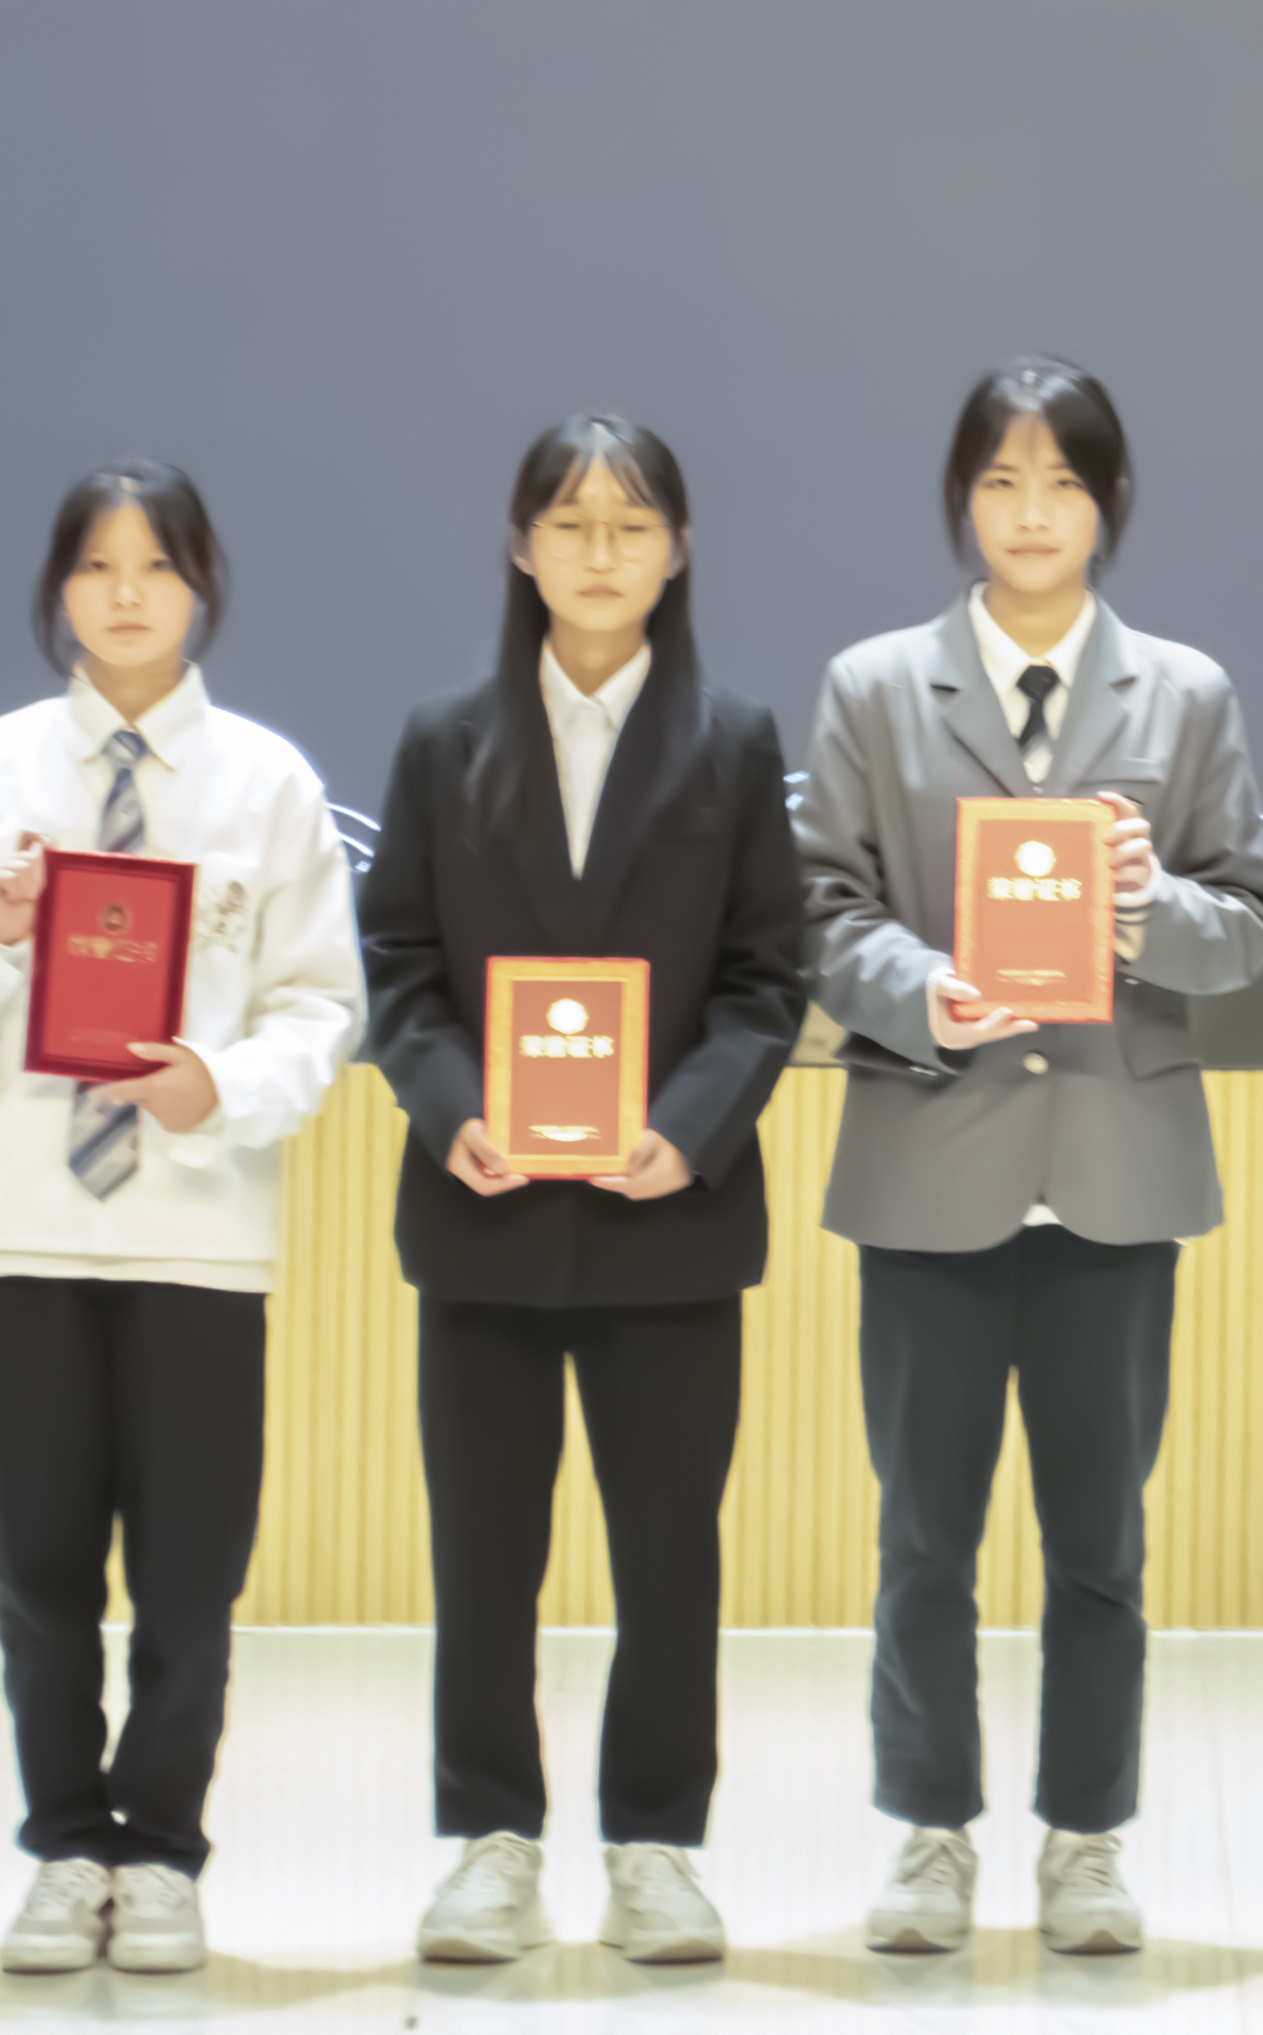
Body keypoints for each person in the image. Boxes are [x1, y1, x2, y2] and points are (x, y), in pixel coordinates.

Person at [795, 358, 1263, 1959]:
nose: (1030, 512)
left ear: (1108, 505)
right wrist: (920, 991)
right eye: (1001, 482)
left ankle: (1087, 1837)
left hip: (1114, 1174)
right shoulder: (876, 687)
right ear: (963, 501)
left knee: (1100, 1544)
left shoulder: (1186, 695)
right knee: (923, 1539)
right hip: (930, 1166)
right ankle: (929, 1833)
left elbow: (1245, 931)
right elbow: (822, 911)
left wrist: (1148, 908)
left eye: (1063, 483)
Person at [0, 463, 361, 1976]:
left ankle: (158, 1850)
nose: (129, 593)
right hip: (22, 1228)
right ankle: (61, 1843)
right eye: (97, 566)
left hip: (198, 1236)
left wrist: (220, 1084)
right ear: (59, 590)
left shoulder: (269, 784)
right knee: (36, 1575)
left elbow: (321, 1009)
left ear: (201, 583)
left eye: (158, 564)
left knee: (188, 1578)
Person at [360, 417, 806, 1970]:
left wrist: (688, 1129)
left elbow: (766, 981)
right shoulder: (443, 741)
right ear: (520, 546)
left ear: (677, 552)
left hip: (668, 1218)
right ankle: (489, 1842)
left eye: (631, 525)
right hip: (484, 1214)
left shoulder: (734, 743)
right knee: (484, 1554)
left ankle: (657, 1846)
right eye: (569, 521)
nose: (600, 552)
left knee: (669, 1555)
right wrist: (450, 1110)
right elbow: (399, 968)